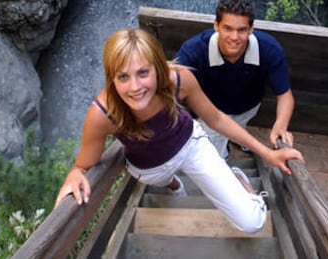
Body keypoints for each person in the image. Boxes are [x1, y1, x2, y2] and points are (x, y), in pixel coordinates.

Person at [55, 28, 304, 234]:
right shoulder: (102, 113)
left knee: (252, 223)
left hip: (191, 147)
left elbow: (215, 118)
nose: (135, 87)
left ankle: (238, 180)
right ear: (111, 78)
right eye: (123, 77)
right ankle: (174, 184)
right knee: (167, 183)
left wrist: (266, 153)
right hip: (148, 169)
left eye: (143, 73)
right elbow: (83, 165)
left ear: (157, 68)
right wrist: (76, 173)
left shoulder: (178, 80)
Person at [174, 0, 295, 159]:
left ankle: (238, 138)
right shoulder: (194, 50)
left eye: (242, 30)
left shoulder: (269, 49)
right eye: (228, 28)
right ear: (216, 25)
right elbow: (171, 84)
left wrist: (280, 125)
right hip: (211, 111)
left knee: (239, 125)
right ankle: (223, 157)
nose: (234, 37)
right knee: (216, 152)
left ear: (251, 29)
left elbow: (284, 94)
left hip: (248, 107)